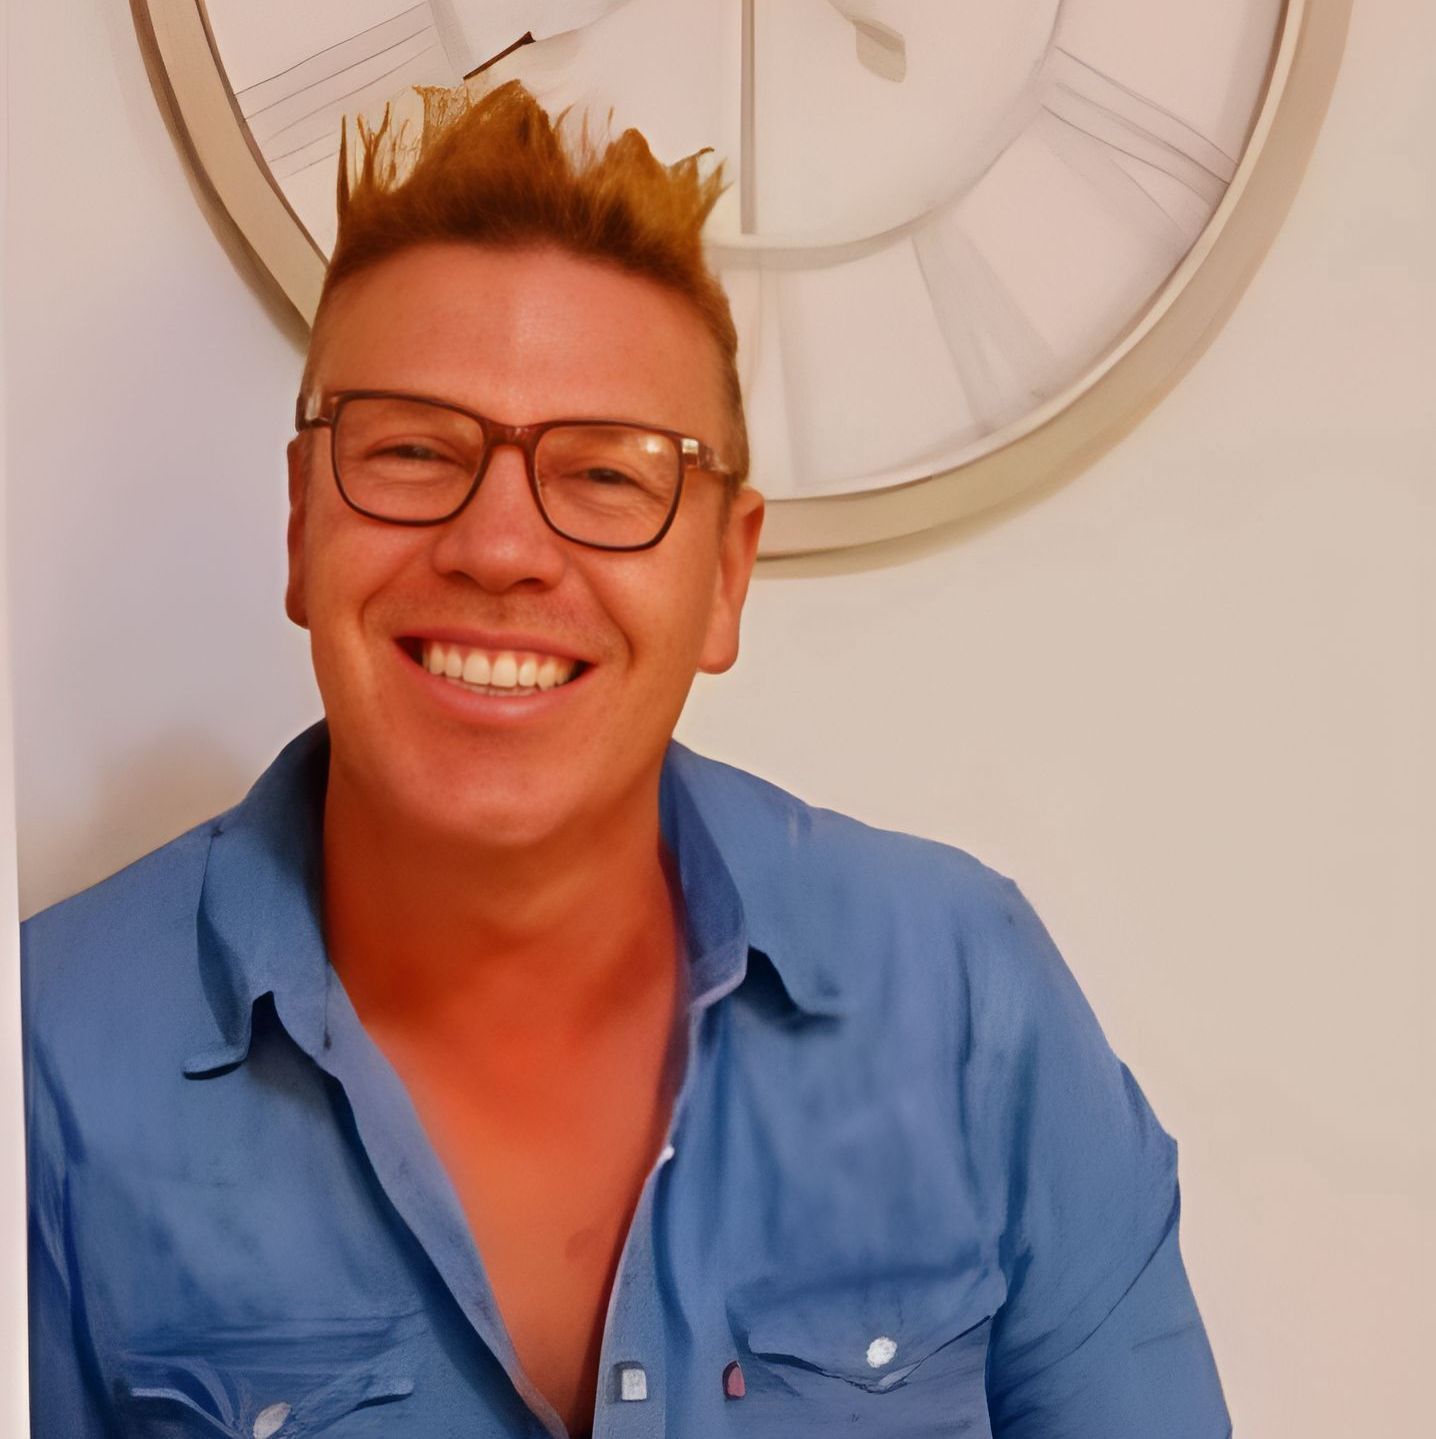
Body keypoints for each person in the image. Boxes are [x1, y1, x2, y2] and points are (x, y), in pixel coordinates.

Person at [22, 81, 1230, 1438]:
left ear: (726, 576)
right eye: (414, 451)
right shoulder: (42, 1072)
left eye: (607, 475)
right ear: (302, 528)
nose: (498, 546)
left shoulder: (965, 998)